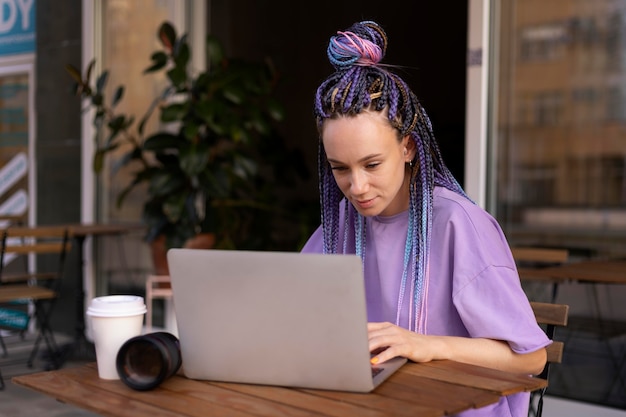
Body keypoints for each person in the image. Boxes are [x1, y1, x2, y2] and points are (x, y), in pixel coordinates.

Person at [301, 20, 550, 417]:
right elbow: (294, 314)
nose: (357, 186)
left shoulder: (457, 224)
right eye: (340, 168)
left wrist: (425, 344)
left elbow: (531, 359)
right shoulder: (342, 224)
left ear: (408, 147)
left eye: (372, 163)